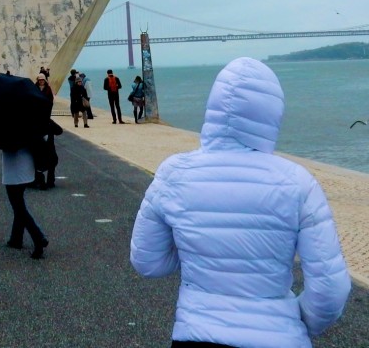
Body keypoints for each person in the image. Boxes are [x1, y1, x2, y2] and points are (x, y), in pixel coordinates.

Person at [130, 57, 350, 348]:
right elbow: (331, 288)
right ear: (272, 114)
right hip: (279, 338)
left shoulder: (174, 173)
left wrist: (192, 250)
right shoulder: (299, 182)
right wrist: (293, 319)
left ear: (213, 109)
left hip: (196, 333)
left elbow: (148, 262)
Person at [2, 146, 49, 259]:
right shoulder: (29, 129)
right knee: (19, 205)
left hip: (13, 170)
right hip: (27, 166)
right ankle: (16, 238)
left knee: (19, 208)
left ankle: (38, 237)